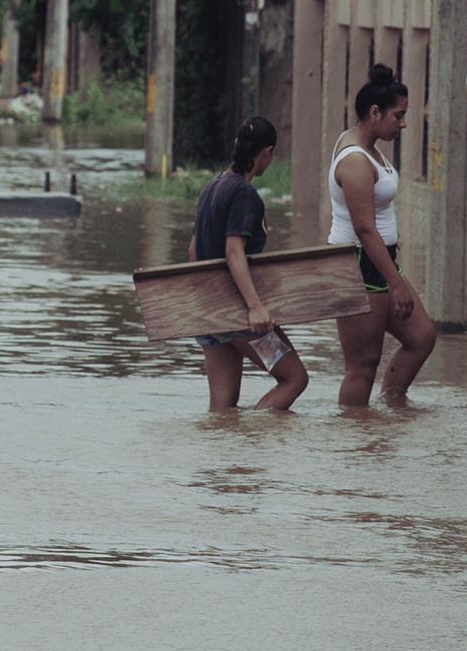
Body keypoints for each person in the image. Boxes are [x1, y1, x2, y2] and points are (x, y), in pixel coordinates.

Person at [330, 64, 438, 406]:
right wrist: (397, 283)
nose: (403, 124)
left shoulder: (370, 148)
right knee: (362, 364)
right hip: (359, 265)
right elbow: (364, 228)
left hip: (379, 262)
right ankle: (358, 442)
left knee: (421, 336)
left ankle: (390, 406)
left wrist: (393, 275)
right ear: (374, 113)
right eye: (399, 115)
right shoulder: (356, 161)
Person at [187, 118, 309, 411]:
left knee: (222, 408)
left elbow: (193, 250)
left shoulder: (214, 185)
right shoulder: (244, 194)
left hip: (211, 316)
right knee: (294, 379)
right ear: (266, 153)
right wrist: (255, 306)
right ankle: (254, 442)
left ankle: (232, 454)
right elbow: (234, 252)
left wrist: (205, 305)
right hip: (241, 319)